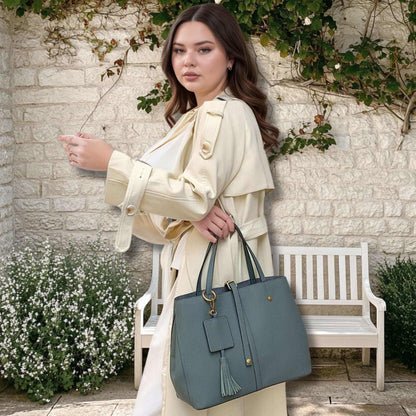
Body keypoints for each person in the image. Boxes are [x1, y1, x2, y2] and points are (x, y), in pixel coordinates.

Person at [59, 3, 287, 415]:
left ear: (231, 56)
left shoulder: (224, 112)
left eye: (204, 49)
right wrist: (192, 215)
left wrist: (112, 161)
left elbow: (193, 195)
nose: (188, 61)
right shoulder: (196, 117)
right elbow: (174, 214)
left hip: (217, 275)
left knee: (194, 390)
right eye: (180, 51)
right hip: (203, 273)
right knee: (193, 386)